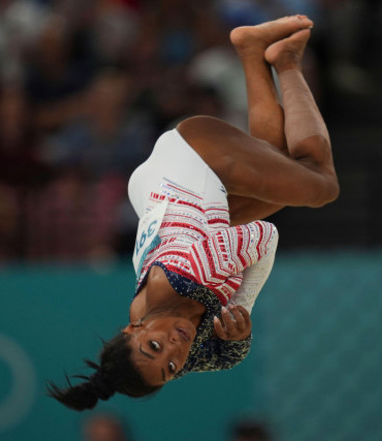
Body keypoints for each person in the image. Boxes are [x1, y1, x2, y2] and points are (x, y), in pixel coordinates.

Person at [48, 15, 339, 411]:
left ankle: (286, 61)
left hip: (193, 158)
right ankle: (253, 50)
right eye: (170, 367)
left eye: (154, 345)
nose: (173, 347)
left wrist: (243, 305)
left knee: (318, 182)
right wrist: (237, 338)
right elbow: (226, 356)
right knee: (276, 168)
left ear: (133, 327)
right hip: (160, 195)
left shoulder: (193, 269)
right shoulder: (175, 348)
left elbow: (265, 238)